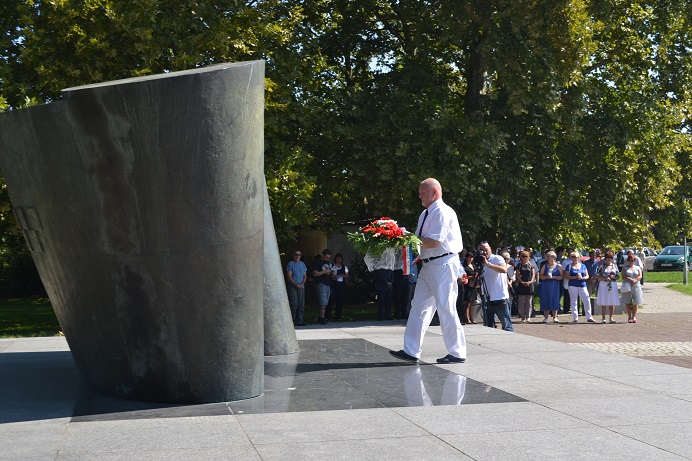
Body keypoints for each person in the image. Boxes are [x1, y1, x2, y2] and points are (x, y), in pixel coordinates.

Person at [390, 178, 466, 364]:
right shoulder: (425, 213)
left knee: (446, 307)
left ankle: (457, 352)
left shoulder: (443, 212)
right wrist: (401, 237)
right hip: (428, 265)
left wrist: (407, 239)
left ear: (435, 192)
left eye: (423, 193)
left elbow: (434, 241)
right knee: (419, 306)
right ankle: (411, 350)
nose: (420, 196)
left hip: (442, 264)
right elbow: (420, 240)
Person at [477, 241, 514, 331]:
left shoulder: (497, 258)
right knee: (488, 326)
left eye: (485, 249)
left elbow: (504, 269)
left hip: (500, 297)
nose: (484, 252)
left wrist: (487, 264)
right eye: (481, 250)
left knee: (506, 325)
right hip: (487, 298)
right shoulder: (479, 261)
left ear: (490, 248)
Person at [564, 251, 595, 322]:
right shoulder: (568, 266)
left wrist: (583, 278)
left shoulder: (583, 266)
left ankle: (589, 317)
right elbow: (565, 276)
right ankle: (575, 317)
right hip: (572, 285)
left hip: (582, 285)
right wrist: (574, 277)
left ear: (578, 258)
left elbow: (587, 275)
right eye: (572, 257)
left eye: (574, 257)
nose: (573, 258)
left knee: (587, 300)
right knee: (574, 301)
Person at [595, 250, 620, 323]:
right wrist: (604, 279)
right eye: (608, 257)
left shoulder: (614, 266)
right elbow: (597, 275)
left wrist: (613, 277)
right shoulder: (602, 266)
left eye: (610, 257)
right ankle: (603, 318)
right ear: (605, 258)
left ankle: (611, 317)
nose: (609, 259)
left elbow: (618, 276)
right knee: (604, 301)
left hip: (612, 284)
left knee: (612, 301)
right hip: (603, 284)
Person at [539, 250, 563, 323]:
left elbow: (562, 276)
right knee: (546, 299)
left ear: (554, 257)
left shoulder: (559, 266)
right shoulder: (544, 266)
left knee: (555, 300)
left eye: (551, 256)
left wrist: (555, 277)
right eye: (548, 257)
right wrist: (546, 277)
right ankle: (546, 317)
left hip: (555, 285)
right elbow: (540, 276)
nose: (549, 258)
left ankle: (555, 317)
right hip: (546, 285)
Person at [286, 250, 308, 326]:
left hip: (301, 286)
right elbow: (289, 276)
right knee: (294, 304)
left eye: (299, 255)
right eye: (296, 254)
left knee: (301, 304)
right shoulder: (290, 264)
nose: (297, 256)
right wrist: (296, 284)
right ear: (293, 255)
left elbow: (305, 276)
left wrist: (302, 284)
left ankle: (300, 320)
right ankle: (292, 320)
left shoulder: (302, 264)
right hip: (293, 286)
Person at [312, 248, 333, 325]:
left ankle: (322, 317)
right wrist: (324, 272)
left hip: (327, 283)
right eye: (326, 257)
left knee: (326, 301)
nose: (327, 259)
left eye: (329, 257)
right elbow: (315, 273)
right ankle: (322, 318)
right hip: (321, 283)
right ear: (323, 255)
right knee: (322, 302)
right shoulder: (318, 262)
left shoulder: (328, 262)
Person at [622, 254, 643, 323]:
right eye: (629, 260)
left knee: (636, 302)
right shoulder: (625, 268)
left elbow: (640, 276)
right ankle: (629, 316)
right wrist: (630, 280)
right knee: (627, 301)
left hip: (636, 286)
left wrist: (635, 280)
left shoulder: (637, 267)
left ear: (634, 260)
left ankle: (634, 316)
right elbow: (623, 276)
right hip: (627, 286)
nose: (630, 262)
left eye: (632, 260)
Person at [515, 250, 535, 323]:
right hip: (521, 285)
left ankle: (528, 317)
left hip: (529, 285)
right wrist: (521, 282)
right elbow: (517, 274)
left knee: (529, 302)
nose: (525, 258)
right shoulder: (519, 265)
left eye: (526, 256)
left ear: (528, 257)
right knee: (521, 302)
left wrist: (531, 281)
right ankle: (522, 317)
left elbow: (533, 274)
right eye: (523, 256)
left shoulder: (531, 265)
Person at [331, 253, 349, 321]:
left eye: (340, 258)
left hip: (342, 285)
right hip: (334, 284)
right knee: (332, 300)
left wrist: (343, 275)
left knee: (340, 300)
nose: (339, 260)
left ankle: (338, 316)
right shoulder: (333, 266)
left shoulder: (344, 267)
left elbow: (347, 275)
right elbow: (331, 275)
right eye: (338, 258)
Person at [462, 252, 478, 324]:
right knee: (467, 302)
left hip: (474, 285)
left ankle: (472, 318)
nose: (471, 258)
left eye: (472, 257)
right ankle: (467, 318)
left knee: (473, 302)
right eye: (469, 257)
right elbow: (463, 276)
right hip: (467, 285)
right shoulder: (464, 267)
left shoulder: (474, 265)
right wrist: (470, 277)